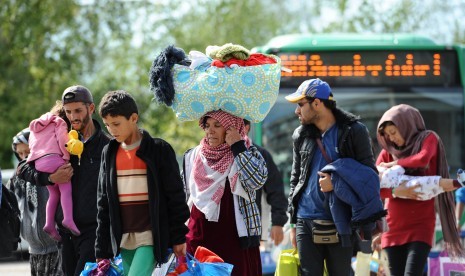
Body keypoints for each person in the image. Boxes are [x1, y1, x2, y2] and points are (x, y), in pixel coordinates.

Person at [285, 78, 378, 275]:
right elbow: (295, 178)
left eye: (301, 105)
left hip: (341, 222)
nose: (296, 111)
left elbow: (370, 177)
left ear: (317, 103)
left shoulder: (354, 131)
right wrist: (293, 223)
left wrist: (336, 183)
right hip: (305, 222)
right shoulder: (299, 135)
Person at [18, 85, 111, 276]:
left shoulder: (107, 146)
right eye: (69, 112)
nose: (73, 117)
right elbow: (22, 168)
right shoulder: (58, 134)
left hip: (94, 233)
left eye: (78, 110)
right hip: (65, 236)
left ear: (91, 108)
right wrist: (49, 178)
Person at [94, 90, 190, 275]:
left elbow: (176, 197)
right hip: (123, 239)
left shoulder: (159, 150)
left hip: (150, 237)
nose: (111, 130)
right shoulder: (109, 153)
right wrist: (101, 248)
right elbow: (103, 203)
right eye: (107, 125)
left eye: (116, 124)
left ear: (134, 118)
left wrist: (179, 237)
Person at [375, 104, 463, 275]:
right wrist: (395, 192)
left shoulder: (428, 138)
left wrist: (395, 163)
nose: (391, 139)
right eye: (387, 135)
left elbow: (422, 160)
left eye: (393, 132)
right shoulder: (387, 152)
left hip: (421, 225)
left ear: (405, 124)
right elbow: (372, 187)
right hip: (392, 228)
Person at [182, 110, 268, 276]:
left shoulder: (248, 151)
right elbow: (183, 195)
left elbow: (256, 181)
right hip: (198, 240)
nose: (210, 131)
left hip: (234, 241)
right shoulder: (193, 156)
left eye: (217, 125)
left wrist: (237, 146)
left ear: (231, 128)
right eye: (207, 126)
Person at [7, 128, 63, 275]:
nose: (24, 157)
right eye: (20, 154)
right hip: (34, 251)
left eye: (28, 151)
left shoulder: (50, 172)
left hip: (58, 249)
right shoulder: (16, 178)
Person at [27, 101, 80, 242]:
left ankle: (49, 223)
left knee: (53, 194)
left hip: (38, 163)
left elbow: (32, 145)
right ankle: (68, 219)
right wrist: (66, 158)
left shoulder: (36, 125)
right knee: (65, 189)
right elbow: (63, 140)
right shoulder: (59, 122)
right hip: (54, 159)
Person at [243, 119, 288, 246]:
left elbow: (276, 190)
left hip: (252, 230)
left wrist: (278, 222)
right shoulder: (218, 155)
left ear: (247, 128)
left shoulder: (260, 155)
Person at [378, 164, 463, 200]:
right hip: (415, 185)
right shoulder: (387, 174)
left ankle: (461, 184)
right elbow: (400, 168)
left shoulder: (380, 184)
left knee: (441, 188)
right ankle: (460, 183)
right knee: (438, 182)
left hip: (417, 194)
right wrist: (389, 166)